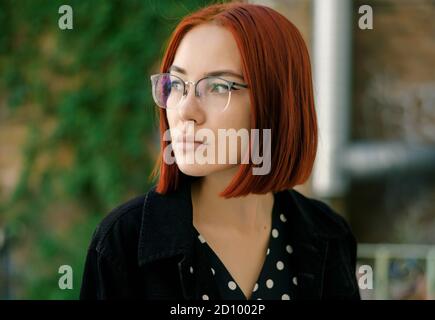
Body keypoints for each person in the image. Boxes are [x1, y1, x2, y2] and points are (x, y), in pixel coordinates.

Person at [80, 2, 360, 300]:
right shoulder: (123, 242)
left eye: (217, 87)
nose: (186, 111)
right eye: (176, 84)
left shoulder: (329, 235)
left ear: (277, 101)